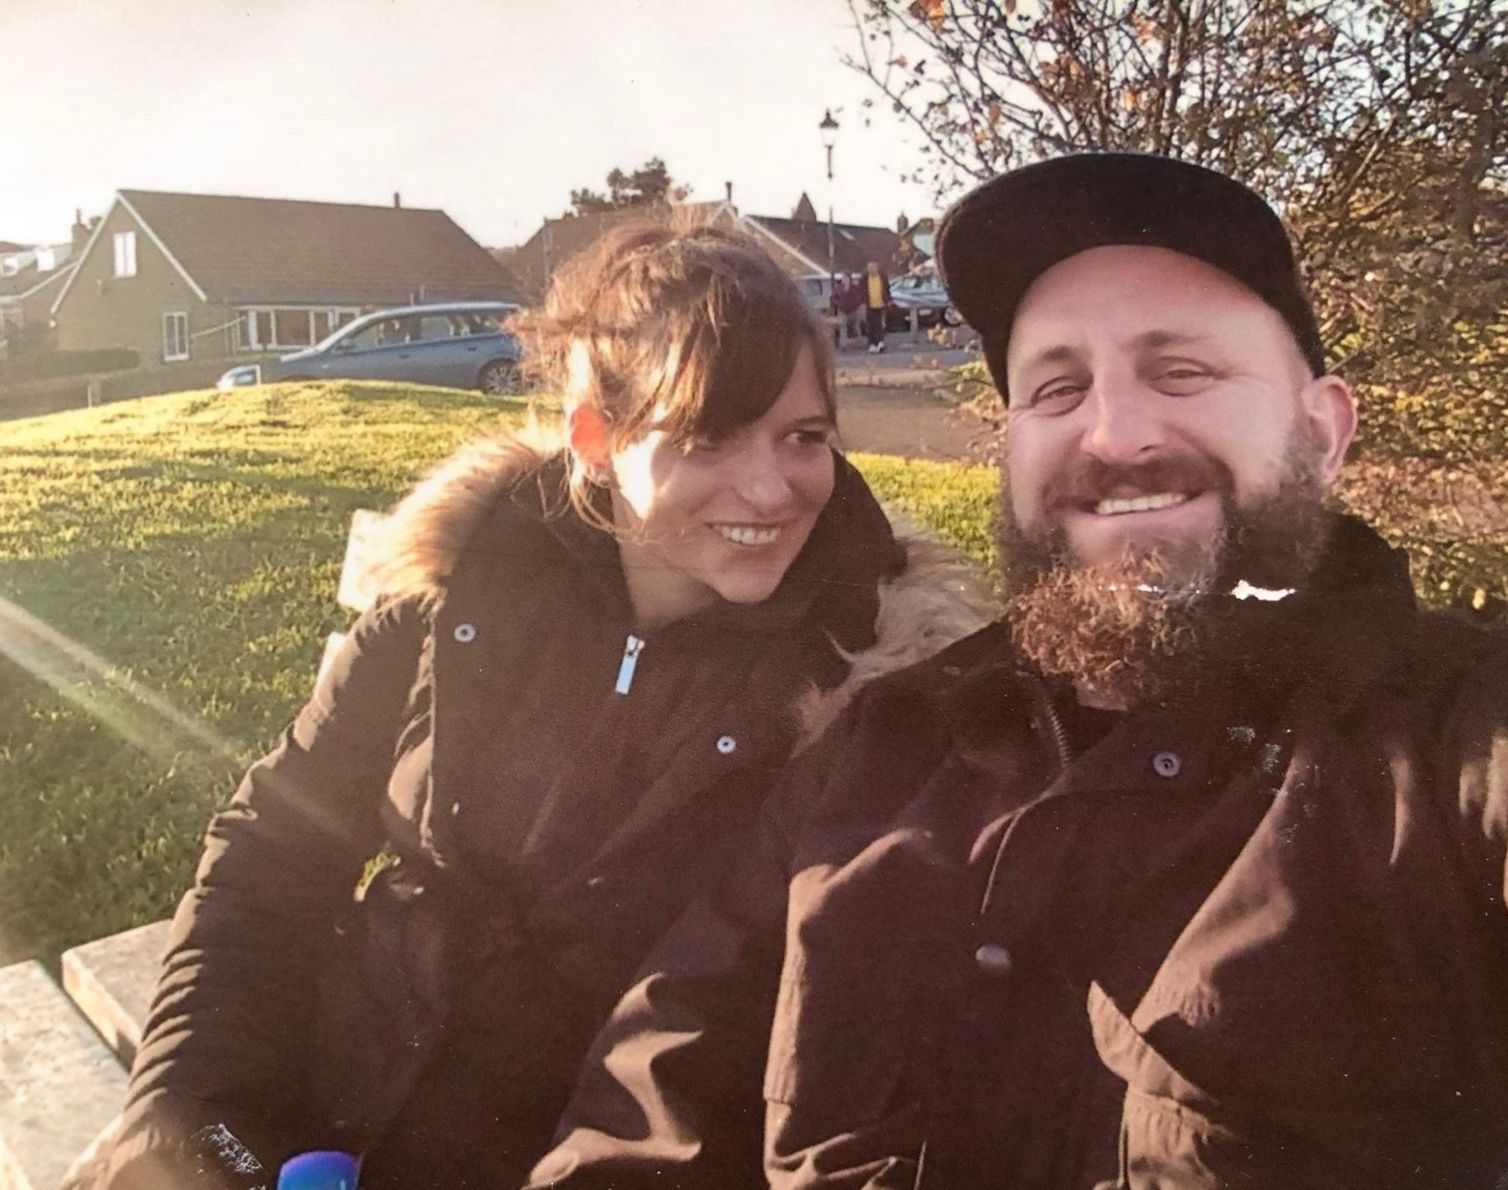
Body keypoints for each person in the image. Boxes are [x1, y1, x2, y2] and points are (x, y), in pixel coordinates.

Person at [526, 155, 1508, 1189]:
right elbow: (646, 1106)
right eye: (1058, 386)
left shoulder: (1474, 742)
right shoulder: (879, 746)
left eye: (1181, 370)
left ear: (1322, 432)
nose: (1115, 432)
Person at [96, 221, 985, 1188]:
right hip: (305, 1114)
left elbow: (718, 1053)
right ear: (596, 439)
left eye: (804, 437)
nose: (771, 487)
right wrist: (194, 1114)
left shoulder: (855, 692)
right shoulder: (465, 587)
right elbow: (273, 849)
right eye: (706, 436)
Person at [863, 261, 889, 354]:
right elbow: (862, 290)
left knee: (880, 325)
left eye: (873, 268)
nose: (872, 270)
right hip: (870, 306)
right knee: (871, 326)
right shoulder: (865, 278)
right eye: (870, 268)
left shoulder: (882, 277)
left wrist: (888, 300)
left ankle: (880, 342)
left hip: (881, 305)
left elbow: (887, 289)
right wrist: (864, 301)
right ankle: (872, 344)